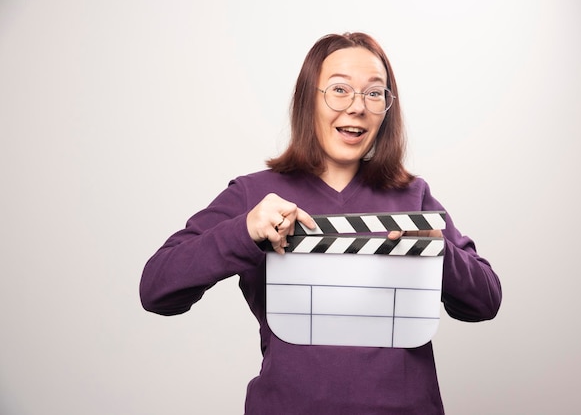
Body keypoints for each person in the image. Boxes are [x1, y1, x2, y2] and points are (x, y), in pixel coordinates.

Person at [140, 32, 502, 414]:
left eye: (375, 93)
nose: (357, 106)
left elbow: (486, 300)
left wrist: (438, 251)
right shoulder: (255, 195)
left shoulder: (412, 196)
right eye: (339, 90)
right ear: (307, 101)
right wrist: (243, 231)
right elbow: (157, 288)